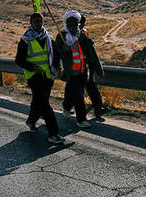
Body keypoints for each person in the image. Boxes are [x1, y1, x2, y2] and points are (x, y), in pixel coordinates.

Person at [15, 12, 64, 144]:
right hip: (34, 76)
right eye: (36, 21)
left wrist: (58, 67)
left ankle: (31, 120)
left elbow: (56, 54)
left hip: (48, 75)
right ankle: (53, 134)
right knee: (45, 104)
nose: (38, 24)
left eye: (40, 21)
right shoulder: (25, 39)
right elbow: (19, 60)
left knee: (38, 101)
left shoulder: (48, 36)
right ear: (30, 23)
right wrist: (32, 68)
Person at [55, 10, 93, 129]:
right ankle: (81, 120)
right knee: (79, 96)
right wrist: (63, 51)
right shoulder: (62, 36)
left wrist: (97, 68)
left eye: (75, 21)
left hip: (82, 71)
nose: (72, 23)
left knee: (74, 94)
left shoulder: (82, 35)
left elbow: (90, 52)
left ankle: (66, 106)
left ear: (78, 22)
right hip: (70, 72)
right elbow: (56, 53)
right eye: (70, 21)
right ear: (66, 22)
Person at [79, 14, 107, 120]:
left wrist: (98, 69)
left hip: (87, 67)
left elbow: (92, 54)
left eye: (83, 23)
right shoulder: (68, 36)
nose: (81, 25)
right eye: (80, 22)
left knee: (92, 88)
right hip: (76, 68)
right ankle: (67, 106)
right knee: (77, 91)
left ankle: (98, 108)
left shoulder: (84, 34)